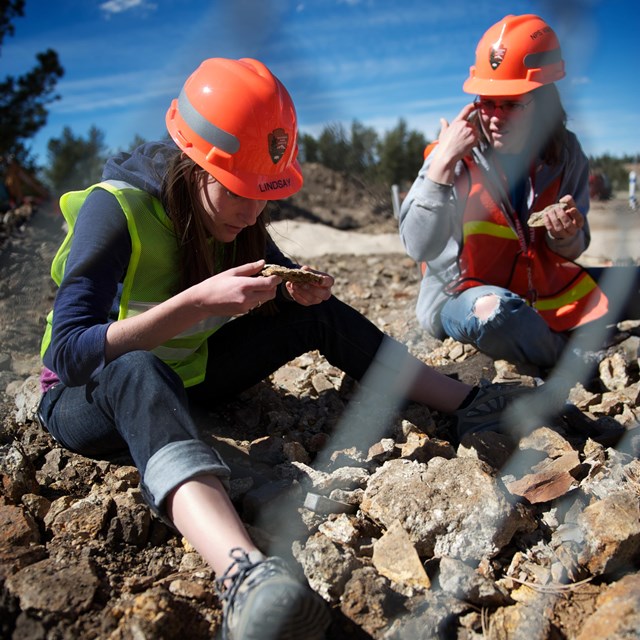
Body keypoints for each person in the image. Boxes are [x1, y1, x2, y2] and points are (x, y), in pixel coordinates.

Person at [37, 57, 519, 640]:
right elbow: (68, 352)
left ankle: (466, 401)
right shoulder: (116, 210)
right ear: (195, 165)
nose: (253, 212)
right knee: (139, 369)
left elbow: (275, 275)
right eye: (240, 192)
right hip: (89, 397)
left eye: (265, 195)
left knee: (308, 313)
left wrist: (299, 285)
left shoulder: (232, 215)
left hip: (190, 376)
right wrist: (194, 304)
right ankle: (243, 575)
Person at [399, 14, 640, 374]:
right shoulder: (450, 154)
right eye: (487, 102)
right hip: (465, 296)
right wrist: (442, 165)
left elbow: (575, 249)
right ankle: (576, 360)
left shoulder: (566, 153)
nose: (495, 116)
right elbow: (418, 246)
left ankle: (552, 339)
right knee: (493, 314)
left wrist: (567, 235)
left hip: (543, 290)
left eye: (511, 103)